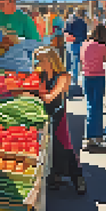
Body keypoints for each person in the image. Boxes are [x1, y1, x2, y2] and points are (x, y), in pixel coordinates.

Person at [32, 46, 86, 194]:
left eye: (41, 61)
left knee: (64, 146)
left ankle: (78, 179)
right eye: (37, 61)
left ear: (50, 60)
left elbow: (49, 98)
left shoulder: (64, 76)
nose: (38, 64)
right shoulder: (42, 75)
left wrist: (33, 91)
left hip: (58, 114)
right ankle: (55, 176)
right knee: (50, 147)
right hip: (44, 114)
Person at [80, 24, 106, 150]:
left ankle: (91, 136)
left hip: (86, 76)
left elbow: (81, 60)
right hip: (98, 77)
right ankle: (94, 136)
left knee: (90, 105)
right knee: (97, 107)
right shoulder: (103, 47)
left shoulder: (84, 45)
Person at [65, 9, 88, 86]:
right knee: (79, 62)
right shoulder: (83, 22)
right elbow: (85, 35)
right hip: (81, 43)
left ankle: (73, 80)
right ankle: (76, 80)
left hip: (72, 43)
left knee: (72, 62)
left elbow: (66, 31)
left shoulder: (70, 20)